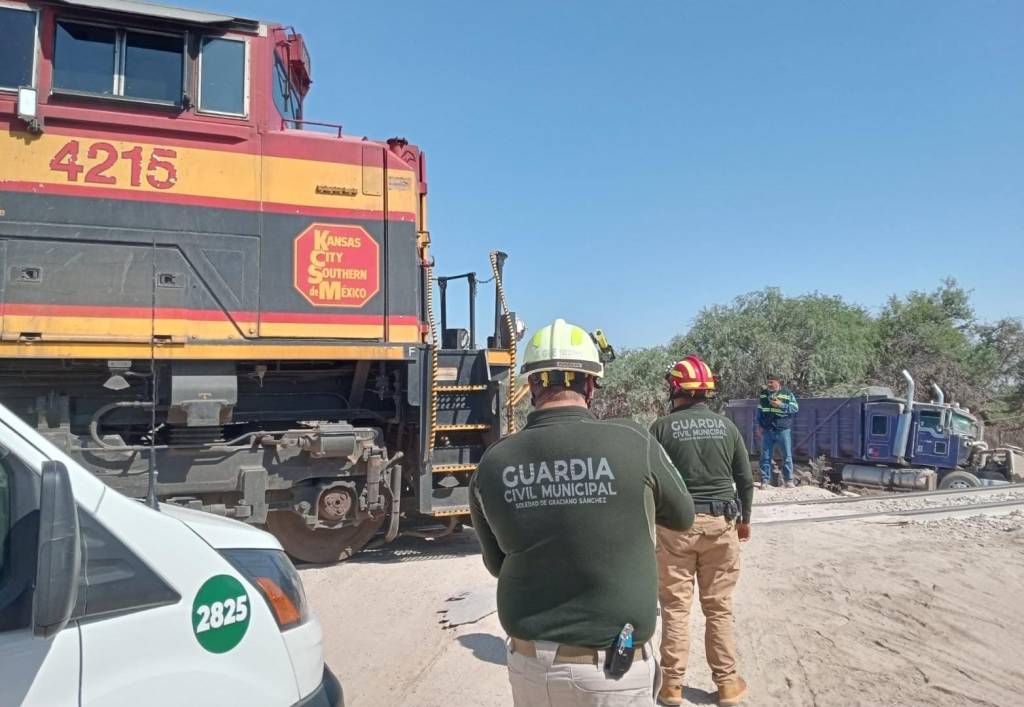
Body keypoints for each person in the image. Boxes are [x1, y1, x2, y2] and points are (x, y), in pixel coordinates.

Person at [469, 319, 695, 707]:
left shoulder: (494, 462)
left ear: (533, 387)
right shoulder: (633, 440)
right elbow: (682, 515)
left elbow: (496, 563)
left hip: (531, 669)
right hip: (613, 671)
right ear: (590, 385)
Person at [649, 356, 753, 707]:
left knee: (676, 609)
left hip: (674, 529)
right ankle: (726, 685)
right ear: (707, 390)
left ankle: (672, 687)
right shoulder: (727, 428)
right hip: (721, 526)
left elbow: (650, 482)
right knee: (718, 608)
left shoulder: (661, 428)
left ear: (675, 388)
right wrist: (744, 522)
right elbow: (745, 480)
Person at [757, 374, 799, 488]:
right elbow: (760, 411)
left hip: (783, 429)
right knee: (765, 456)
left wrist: (781, 405)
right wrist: (760, 426)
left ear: (778, 382)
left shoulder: (787, 393)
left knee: (786, 456)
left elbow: (795, 408)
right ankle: (765, 481)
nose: (769, 384)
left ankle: (789, 480)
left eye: (772, 382)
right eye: (768, 382)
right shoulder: (764, 394)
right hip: (768, 429)